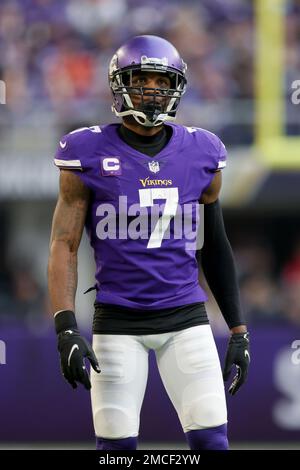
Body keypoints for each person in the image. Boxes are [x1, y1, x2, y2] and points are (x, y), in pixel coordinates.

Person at [48, 35, 250, 451]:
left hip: (186, 318)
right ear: (119, 83)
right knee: (117, 449)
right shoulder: (85, 151)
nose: (153, 90)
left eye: (162, 81)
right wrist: (65, 326)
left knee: (213, 443)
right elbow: (64, 244)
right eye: (142, 79)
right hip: (118, 320)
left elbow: (214, 246)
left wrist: (238, 330)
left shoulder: (202, 152)